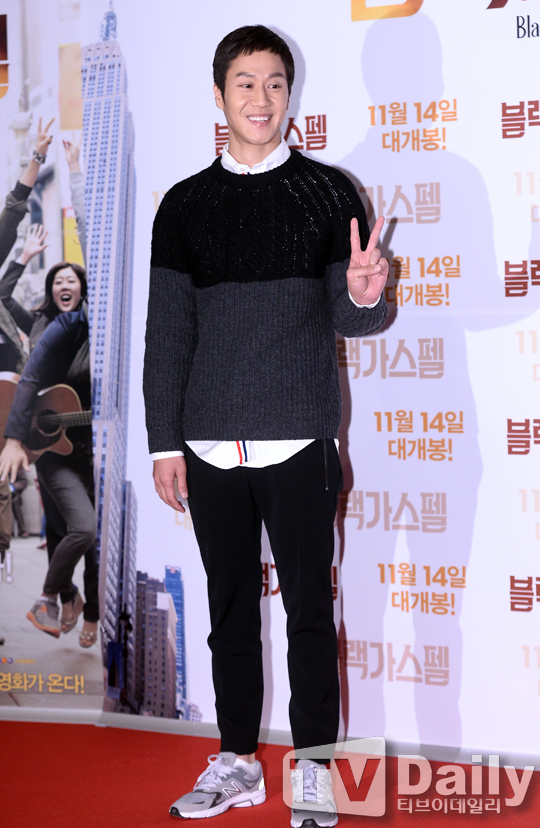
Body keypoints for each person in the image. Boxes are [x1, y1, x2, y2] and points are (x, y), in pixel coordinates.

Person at [143, 26, 389, 828]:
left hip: (300, 440)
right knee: (229, 619)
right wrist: (164, 442)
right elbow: (167, 335)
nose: (261, 98)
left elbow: (355, 318)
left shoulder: (328, 193)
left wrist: (363, 291)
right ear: (219, 96)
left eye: (275, 83)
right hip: (210, 445)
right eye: (245, 83)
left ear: (291, 94)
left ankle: (313, 772)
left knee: (310, 618)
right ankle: (238, 762)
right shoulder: (184, 205)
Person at [0, 306, 97, 648]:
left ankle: (89, 613)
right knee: (71, 529)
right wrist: (14, 440)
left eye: (73, 281)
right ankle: (54, 598)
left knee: (92, 542)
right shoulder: (60, 326)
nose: (65, 286)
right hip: (50, 453)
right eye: (59, 281)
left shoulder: (110, 338)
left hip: (89, 454)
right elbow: (28, 381)